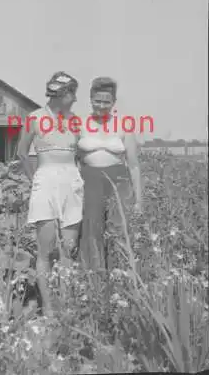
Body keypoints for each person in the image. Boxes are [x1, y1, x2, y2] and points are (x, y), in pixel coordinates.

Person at [17, 71, 84, 317]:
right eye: (72, 94)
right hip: (44, 179)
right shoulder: (34, 118)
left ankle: (66, 307)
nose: (75, 99)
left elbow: (82, 155)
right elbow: (22, 153)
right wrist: (35, 180)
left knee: (69, 248)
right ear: (61, 94)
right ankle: (49, 311)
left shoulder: (77, 121)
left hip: (72, 181)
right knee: (45, 250)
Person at [77, 77, 142, 272]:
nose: (102, 106)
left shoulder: (124, 125)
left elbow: (134, 166)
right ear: (90, 99)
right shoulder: (79, 124)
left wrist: (139, 201)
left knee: (118, 230)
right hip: (89, 182)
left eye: (107, 101)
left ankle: (120, 277)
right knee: (91, 231)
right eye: (98, 100)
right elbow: (72, 160)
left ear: (113, 102)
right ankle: (93, 280)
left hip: (119, 182)